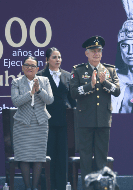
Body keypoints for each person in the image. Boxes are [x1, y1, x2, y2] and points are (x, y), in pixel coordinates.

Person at [70, 36, 120, 190]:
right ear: (87, 53)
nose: (96, 54)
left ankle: (100, 187)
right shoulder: (78, 70)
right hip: (85, 120)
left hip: (103, 120)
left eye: (99, 51)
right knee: (85, 157)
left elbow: (117, 91)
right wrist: (89, 85)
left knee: (101, 157)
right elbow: (73, 93)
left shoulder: (109, 70)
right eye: (93, 51)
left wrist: (105, 82)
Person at [11, 56, 54, 190]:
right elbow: (16, 101)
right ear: (23, 67)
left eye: (33, 66)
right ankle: (27, 187)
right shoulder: (16, 82)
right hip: (22, 123)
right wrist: (30, 93)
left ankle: (35, 187)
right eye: (27, 65)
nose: (30, 68)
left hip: (40, 123)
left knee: (38, 157)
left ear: (37, 68)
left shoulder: (45, 80)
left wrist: (39, 90)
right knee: (23, 156)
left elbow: (50, 100)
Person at [37, 47, 76, 190]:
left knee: (62, 156)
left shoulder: (67, 75)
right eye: (54, 57)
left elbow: (72, 99)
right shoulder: (40, 75)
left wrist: (76, 111)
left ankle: (61, 186)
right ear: (47, 60)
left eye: (59, 57)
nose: (58, 60)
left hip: (65, 121)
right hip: (47, 121)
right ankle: (48, 186)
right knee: (49, 155)